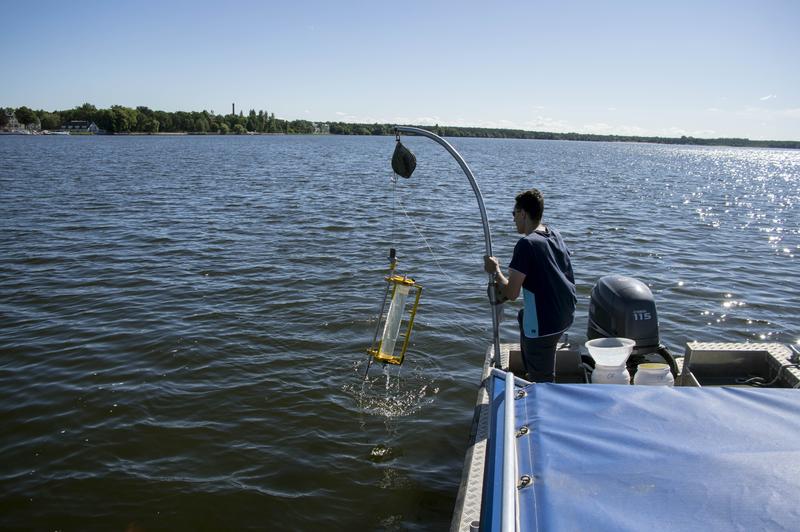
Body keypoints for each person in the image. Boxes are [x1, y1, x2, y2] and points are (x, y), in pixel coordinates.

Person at [484, 188, 576, 382]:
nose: (513, 219)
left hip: (546, 325)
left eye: (514, 213)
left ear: (523, 213)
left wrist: (496, 270)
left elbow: (511, 293)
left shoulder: (526, 245)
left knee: (543, 381)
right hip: (566, 314)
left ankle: (539, 382)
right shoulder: (554, 234)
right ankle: (533, 366)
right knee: (523, 315)